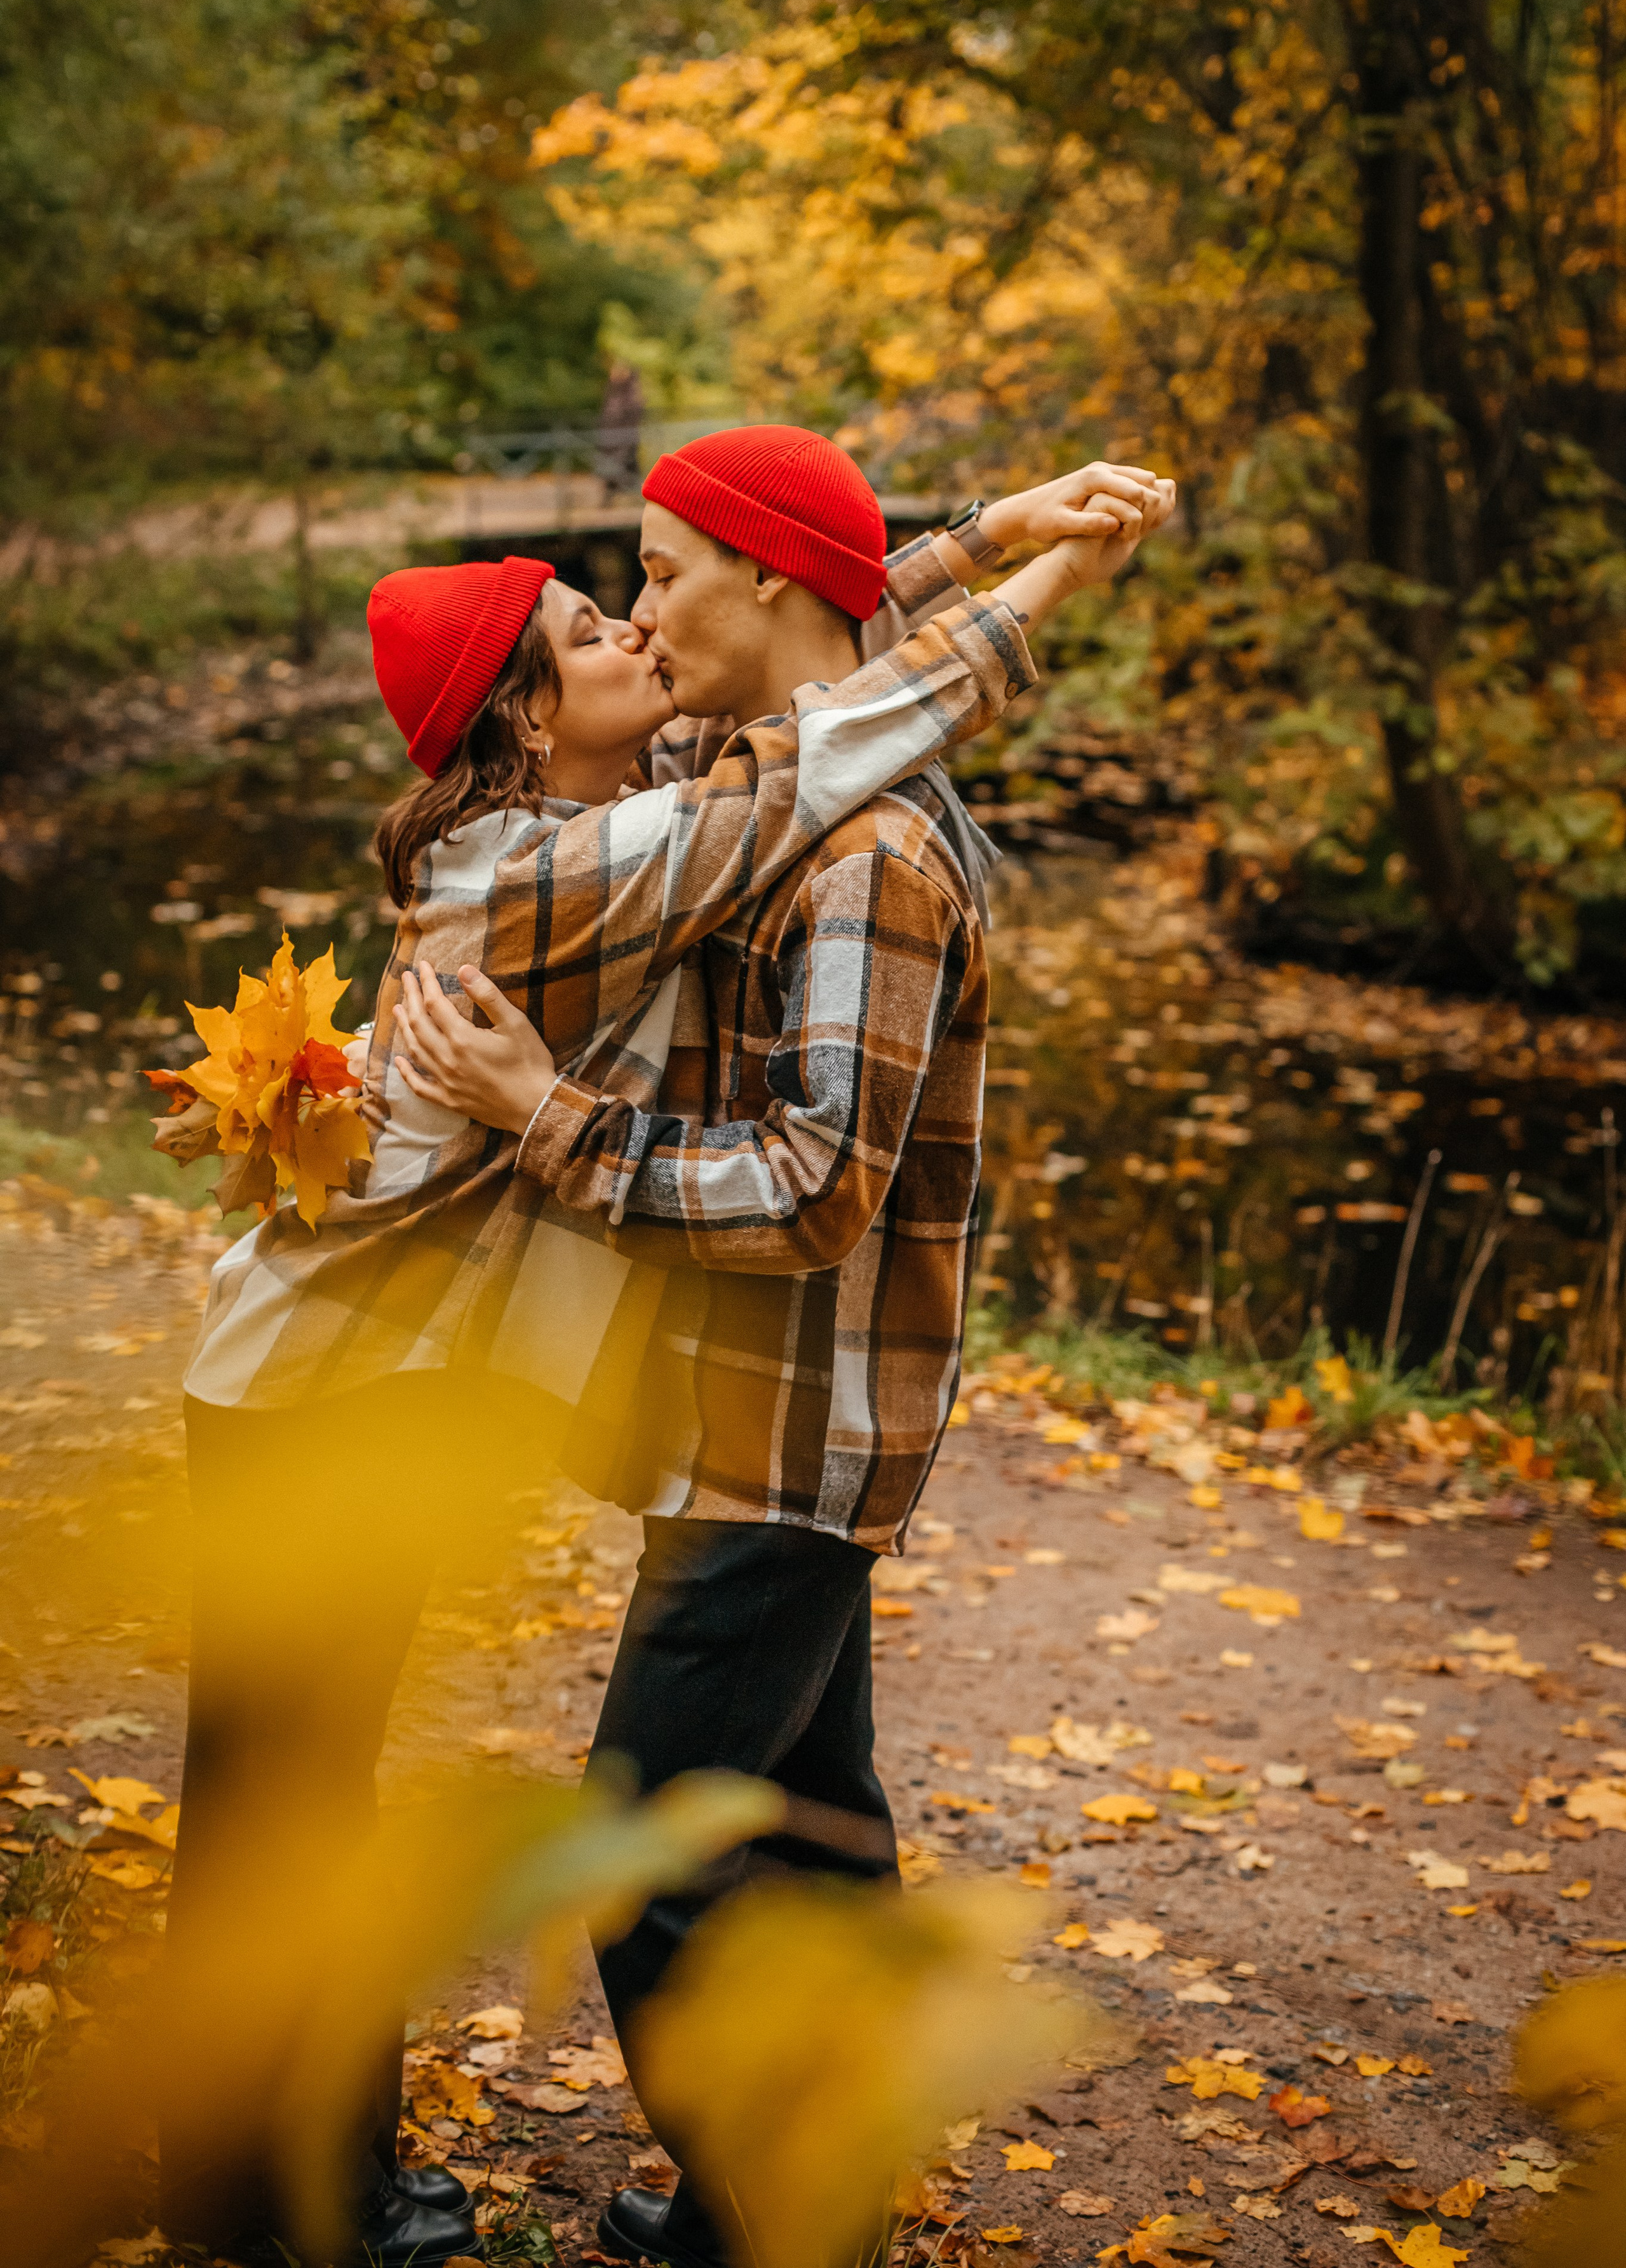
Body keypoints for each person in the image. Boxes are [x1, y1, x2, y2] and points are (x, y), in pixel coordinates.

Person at [163, 428, 1169, 2268]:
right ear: (531, 728)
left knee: (719, 1833)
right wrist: (1037, 583)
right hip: (327, 1397)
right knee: (307, 1807)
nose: (633, 617)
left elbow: (827, 710)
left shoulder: (702, 812)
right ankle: (285, 2196)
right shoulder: (551, 866)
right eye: (589, 619)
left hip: (707, 1411)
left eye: (648, 581)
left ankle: (760, 2207)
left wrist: (981, 539)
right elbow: (836, 720)